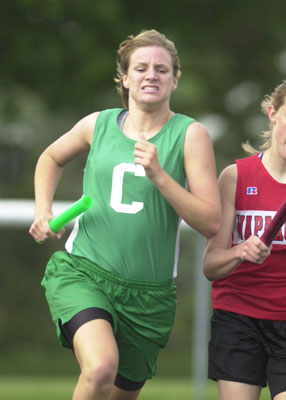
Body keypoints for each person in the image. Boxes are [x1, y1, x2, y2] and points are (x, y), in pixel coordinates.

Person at [29, 29, 221, 400]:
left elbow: (211, 222)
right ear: (125, 77)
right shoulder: (96, 125)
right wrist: (43, 209)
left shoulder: (191, 135)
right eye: (142, 67)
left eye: (162, 69)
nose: (152, 75)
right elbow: (49, 158)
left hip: (149, 296)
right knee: (101, 367)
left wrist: (160, 177)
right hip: (87, 273)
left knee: (118, 393)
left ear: (175, 79)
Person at [203, 81, 286, 400]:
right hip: (239, 318)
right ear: (273, 113)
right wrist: (240, 251)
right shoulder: (236, 177)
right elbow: (210, 266)